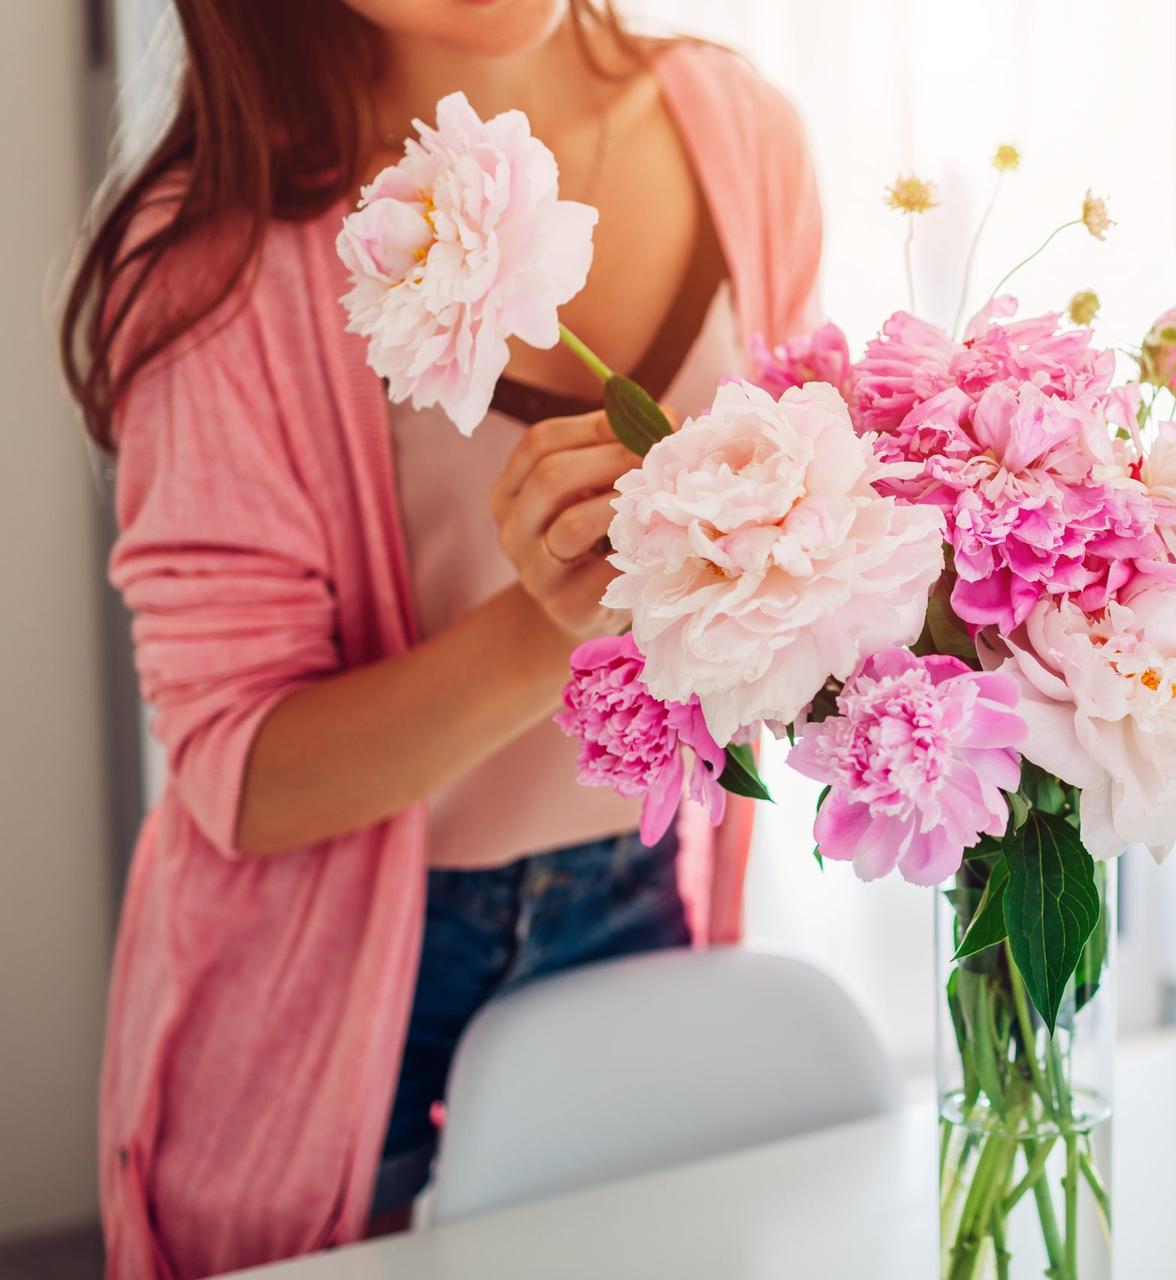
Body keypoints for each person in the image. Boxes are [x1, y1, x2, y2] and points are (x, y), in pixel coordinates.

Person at [60, 3, 821, 1274]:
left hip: (633, 900)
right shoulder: (222, 256)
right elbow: (241, 772)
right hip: (329, 982)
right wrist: (541, 630)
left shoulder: (739, 133)